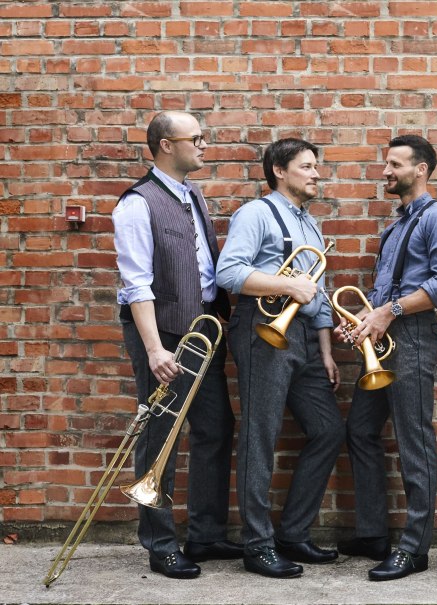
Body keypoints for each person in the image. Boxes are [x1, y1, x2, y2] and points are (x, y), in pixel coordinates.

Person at [112, 110, 242, 579]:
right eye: (196, 138)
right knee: (160, 434)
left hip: (203, 328)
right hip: (163, 333)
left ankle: (205, 535)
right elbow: (135, 284)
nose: (204, 145)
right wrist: (153, 349)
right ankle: (161, 542)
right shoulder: (136, 203)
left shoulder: (193, 195)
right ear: (167, 144)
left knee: (215, 427)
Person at [334, 135, 437, 581]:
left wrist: (386, 314)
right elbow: (384, 293)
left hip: (411, 338)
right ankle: (373, 533)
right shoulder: (395, 226)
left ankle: (414, 548)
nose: (386, 171)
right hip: (387, 336)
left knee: (414, 440)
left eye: (394, 164)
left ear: (421, 169)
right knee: (360, 430)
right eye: (386, 163)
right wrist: (362, 319)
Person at [216, 138, 345, 579]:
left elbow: (319, 291)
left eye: (316, 167)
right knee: (260, 436)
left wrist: (325, 351)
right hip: (262, 329)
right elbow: (228, 272)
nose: (315, 174)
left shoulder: (310, 225)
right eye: (307, 167)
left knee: (329, 429)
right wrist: (288, 286)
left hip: (306, 337)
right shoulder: (255, 214)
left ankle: (292, 534)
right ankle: (257, 544)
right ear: (278, 170)